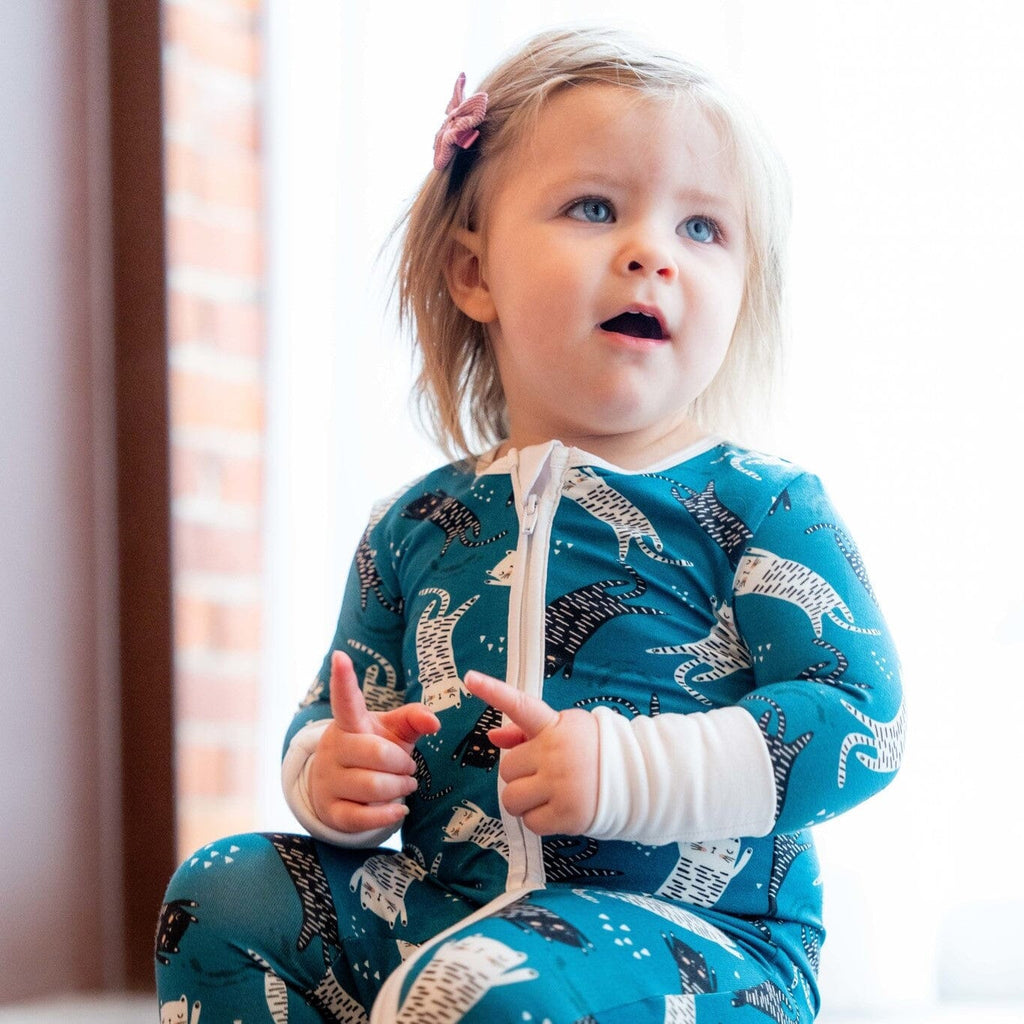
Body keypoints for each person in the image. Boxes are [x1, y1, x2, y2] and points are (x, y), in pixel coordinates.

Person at [156, 26, 905, 1024]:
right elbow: (336, 707)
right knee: (223, 893)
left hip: (705, 944)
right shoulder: (413, 524)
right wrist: (332, 770)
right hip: (449, 907)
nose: (650, 251)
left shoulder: (761, 507)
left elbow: (862, 720)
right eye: (595, 208)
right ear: (475, 275)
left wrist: (629, 769)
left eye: (702, 228)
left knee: (471, 989)